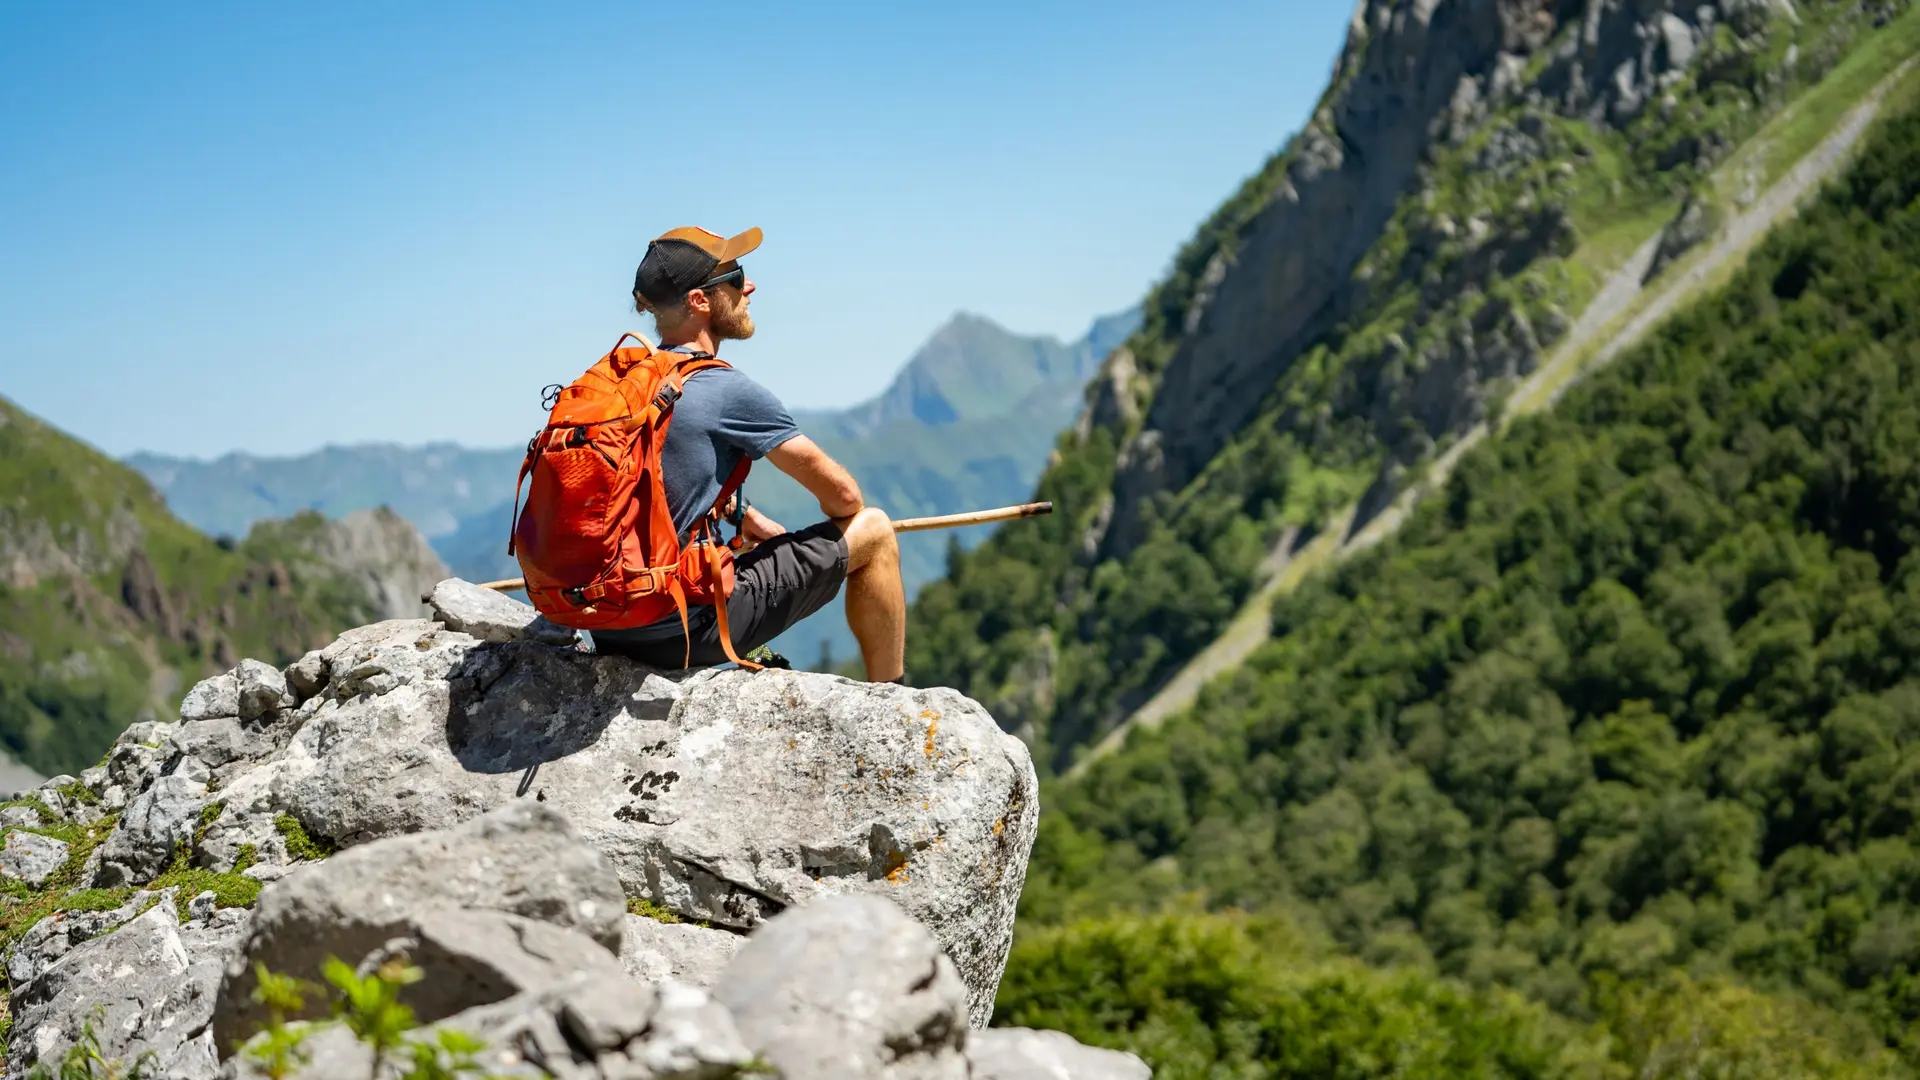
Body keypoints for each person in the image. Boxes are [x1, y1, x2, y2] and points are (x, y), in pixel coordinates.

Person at [588, 226, 907, 684]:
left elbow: (653, 479)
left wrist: (744, 516)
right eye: (736, 277)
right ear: (700, 301)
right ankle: (892, 700)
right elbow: (844, 498)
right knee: (874, 531)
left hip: (610, 623)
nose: (750, 286)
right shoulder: (725, 389)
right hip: (679, 629)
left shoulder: (626, 383)